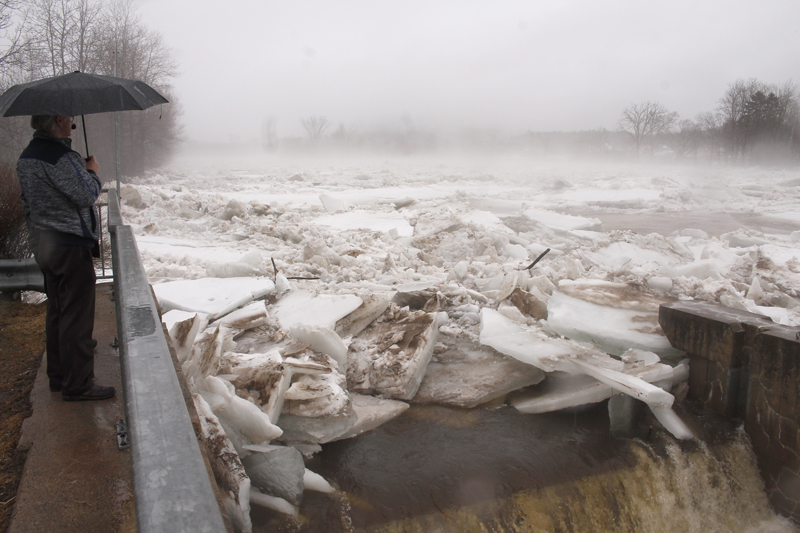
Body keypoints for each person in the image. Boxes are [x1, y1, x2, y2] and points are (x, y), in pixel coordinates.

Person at [16, 115, 115, 401]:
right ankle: (79, 384)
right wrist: (92, 171)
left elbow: (27, 202)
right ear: (59, 120)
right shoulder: (61, 156)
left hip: (45, 244)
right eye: (69, 118)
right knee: (77, 317)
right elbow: (86, 195)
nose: (72, 121)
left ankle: (59, 377)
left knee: (58, 310)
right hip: (69, 245)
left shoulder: (27, 157)